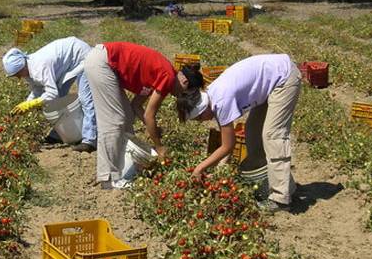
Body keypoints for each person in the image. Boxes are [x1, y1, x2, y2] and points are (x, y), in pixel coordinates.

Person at [178, 54, 302, 212]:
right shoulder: (213, 96)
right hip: (269, 82)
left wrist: (199, 169)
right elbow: (227, 142)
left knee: (273, 135)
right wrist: (221, 171)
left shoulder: (221, 101)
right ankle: (280, 183)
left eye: (198, 119)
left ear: (202, 110)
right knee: (253, 132)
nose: (202, 122)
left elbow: (228, 146)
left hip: (283, 77)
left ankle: (281, 198)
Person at [84, 42, 203, 189]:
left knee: (127, 116)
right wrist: (159, 147)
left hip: (105, 63)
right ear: (184, 82)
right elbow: (149, 115)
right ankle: (109, 178)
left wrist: (153, 128)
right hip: (103, 62)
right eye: (182, 94)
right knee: (114, 121)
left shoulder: (163, 74)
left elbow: (136, 106)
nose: (178, 97)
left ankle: (122, 168)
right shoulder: (167, 76)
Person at [2, 36, 97, 153]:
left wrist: (33, 104)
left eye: (17, 74)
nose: (18, 77)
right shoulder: (28, 70)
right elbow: (37, 91)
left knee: (85, 98)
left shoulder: (39, 67)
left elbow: (52, 93)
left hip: (81, 56)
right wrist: (25, 104)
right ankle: (58, 134)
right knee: (58, 100)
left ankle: (90, 140)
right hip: (66, 64)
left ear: (22, 67)